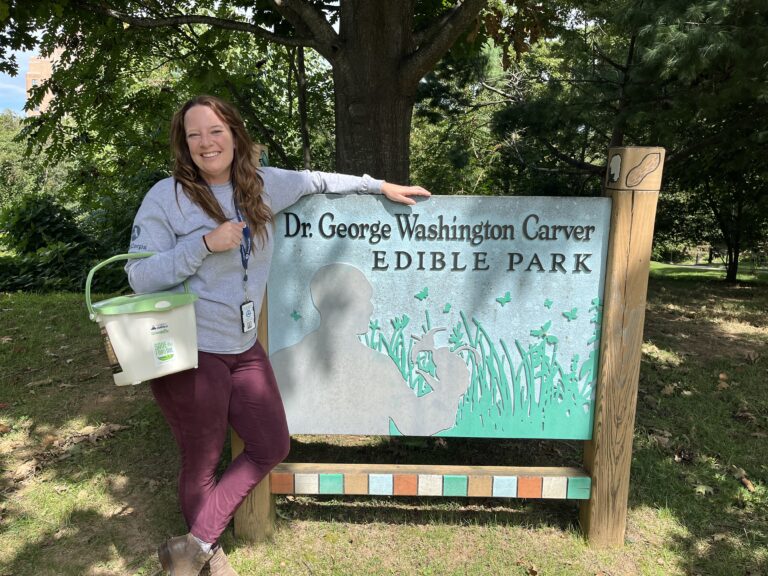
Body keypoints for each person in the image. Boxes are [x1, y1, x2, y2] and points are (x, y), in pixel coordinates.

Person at [125, 95, 430, 576]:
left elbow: (321, 180)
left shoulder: (263, 186)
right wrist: (203, 244)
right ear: (184, 145)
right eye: (194, 134)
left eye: (215, 131)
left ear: (235, 133)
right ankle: (209, 558)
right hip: (190, 347)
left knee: (272, 443)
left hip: (243, 347)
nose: (206, 142)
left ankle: (193, 547)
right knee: (201, 460)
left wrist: (380, 186)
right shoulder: (168, 197)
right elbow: (139, 277)